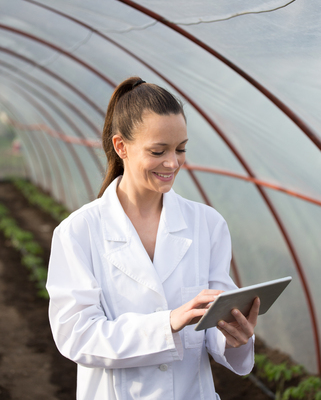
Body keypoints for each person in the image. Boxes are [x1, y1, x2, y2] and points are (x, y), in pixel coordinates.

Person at [46, 77, 260, 400]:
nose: (173, 163)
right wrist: (167, 324)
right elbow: (77, 335)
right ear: (121, 147)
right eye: (158, 151)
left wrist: (234, 337)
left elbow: (212, 326)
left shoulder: (208, 225)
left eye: (181, 149)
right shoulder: (78, 233)